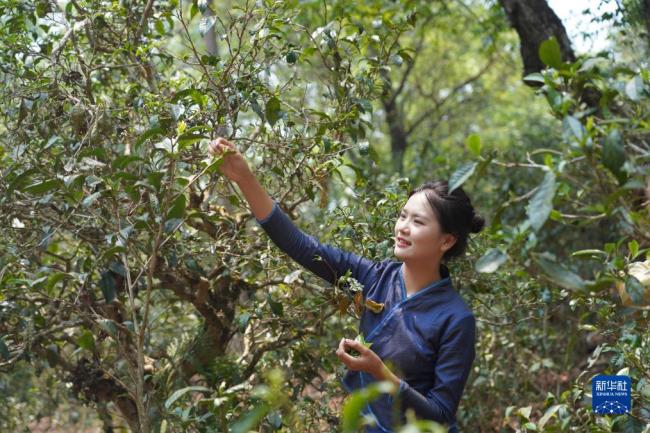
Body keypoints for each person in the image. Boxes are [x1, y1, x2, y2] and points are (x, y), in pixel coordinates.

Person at [208, 137, 484, 433]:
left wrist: (379, 372)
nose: (402, 227)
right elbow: (300, 246)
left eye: (417, 222)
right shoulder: (375, 277)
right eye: (403, 216)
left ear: (446, 240)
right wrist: (245, 178)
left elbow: (441, 414)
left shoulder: (457, 319)